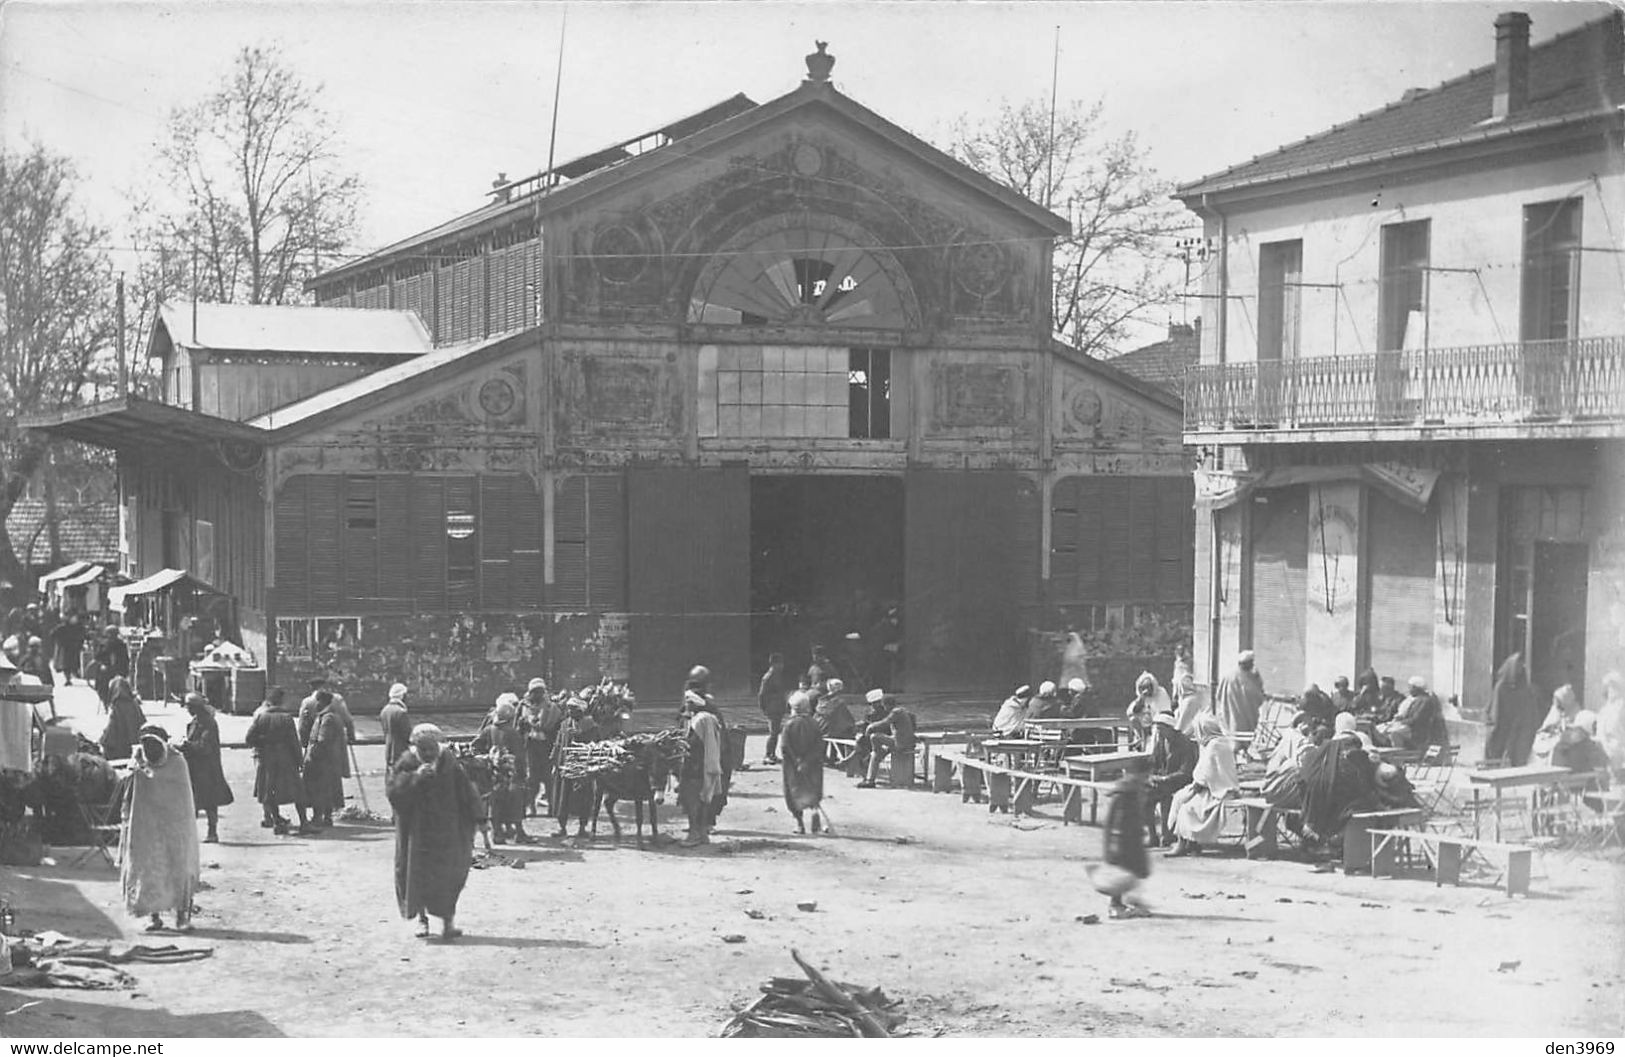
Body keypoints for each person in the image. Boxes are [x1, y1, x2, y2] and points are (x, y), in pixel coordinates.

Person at [387, 724, 485, 942]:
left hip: (446, 830)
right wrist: (414, 778)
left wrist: (480, 817)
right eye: (424, 751)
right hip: (418, 833)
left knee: (449, 876)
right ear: (416, 748)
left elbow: (466, 790)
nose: (429, 755)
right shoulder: (406, 762)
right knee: (418, 875)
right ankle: (423, 920)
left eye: (432, 749)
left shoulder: (449, 763)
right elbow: (393, 793)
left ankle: (448, 923)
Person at [122, 732, 201, 933]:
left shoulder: (177, 763)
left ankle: (182, 917)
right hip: (149, 826)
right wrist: (135, 771)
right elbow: (131, 791)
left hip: (177, 826)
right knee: (150, 869)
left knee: (180, 868)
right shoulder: (140, 762)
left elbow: (182, 796)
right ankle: (153, 916)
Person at [1299, 712, 1383, 850]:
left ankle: (1325, 841)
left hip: (1317, 799)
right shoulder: (1359, 743)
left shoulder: (1325, 747)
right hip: (1344, 800)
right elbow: (1366, 778)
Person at [1167, 714, 1239, 856]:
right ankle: (1189, 843)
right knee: (1180, 798)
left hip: (1218, 790)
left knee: (1186, 807)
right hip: (1215, 786)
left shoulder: (1215, 746)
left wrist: (1196, 786)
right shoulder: (1218, 743)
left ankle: (1183, 844)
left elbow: (1207, 773)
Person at [470, 694, 532, 845]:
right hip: (511, 774)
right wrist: (523, 773)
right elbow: (520, 756)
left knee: (495, 803)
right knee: (516, 802)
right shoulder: (512, 733)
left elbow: (474, 747)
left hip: (493, 774)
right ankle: (519, 832)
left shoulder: (488, 730)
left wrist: (487, 758)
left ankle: (497, 834)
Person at [244, 687, 306, 834]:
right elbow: (294, 742)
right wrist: (299, 761)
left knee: (269, 792)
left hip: (267, 759)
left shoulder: (261, 717)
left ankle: (277, 822)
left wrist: (263, 744)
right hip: (285, 759)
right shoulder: (286, 718)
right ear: (281, 701)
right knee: (297, 792)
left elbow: (249, 739)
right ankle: (304, 822)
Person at [1099, 756, 1153, 919]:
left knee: (1135, 870)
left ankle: (1131, 900)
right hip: (1121, 839)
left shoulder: (1135, 789)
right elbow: (1115, 821)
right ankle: (1115, 905)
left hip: (1132, 837)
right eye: (1144, 776)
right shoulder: (1124, 792)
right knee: (1121, 872)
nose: (1146, 779)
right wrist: (1113, 843)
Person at [679, 668, 725, 847]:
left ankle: (694, 835)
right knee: (705, 799)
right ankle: (703, 833)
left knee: (692, 802)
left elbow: (693, 744)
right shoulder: (710, 717)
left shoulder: (699, 721)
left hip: (695, 767)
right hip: (708, 765)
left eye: (688, 703)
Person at [179, 692, 233, 844]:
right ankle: (190, 834)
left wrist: (187, 745)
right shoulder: (196, 722)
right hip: (195, 768)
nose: (187, 710)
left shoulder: (208, 723)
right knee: (193, 802)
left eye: (189, 707)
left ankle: (212, 832)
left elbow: (205, 747)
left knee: (209, 803)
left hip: (206, 769)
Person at [1144, 711, 1197, 847]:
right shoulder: (1161, 742)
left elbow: (1186, 772)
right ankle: (1152, 835)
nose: (1159, 733)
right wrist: (1151, 777)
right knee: (1144, 796)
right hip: (1163, 782)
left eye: (1161, 729)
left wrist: (1165, 779)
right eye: (1157, 729)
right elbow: (1153, 763)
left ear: (1170, 728)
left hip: (1180, 783)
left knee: (1166, 796)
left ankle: (1167, 835)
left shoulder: (1185, 744)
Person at [780, 691, 828, 834]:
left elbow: (784, 747)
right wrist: (807, 761)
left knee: (793, 794)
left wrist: (797, 762)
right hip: (813, 765)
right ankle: (815, 819)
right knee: (813, 790)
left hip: (792, 767)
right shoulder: (814, 724)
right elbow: (819, 745)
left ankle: (799, 823)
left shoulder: (789, 725)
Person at [302, 690, 349, 829]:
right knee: (327, 789)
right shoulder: (329, 716)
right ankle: (326, 817)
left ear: (322, 702)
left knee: (319, 789)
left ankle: (319, 817)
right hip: (329, 760)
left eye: (317, 701)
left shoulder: (327, 718)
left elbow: (322, 740)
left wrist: (311, 757)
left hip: (322, 761)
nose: (315, 704)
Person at [1485, 653, 1539, 765]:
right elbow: (1496, 712)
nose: (1520, 669)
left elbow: (1528, 711)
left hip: (1518, 731)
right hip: (1501, 729)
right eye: (1517, 666)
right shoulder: (1501, 688)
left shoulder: (1524, 689)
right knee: (1496, 758)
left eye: (1521, 667)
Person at [858, 692, 916, 789]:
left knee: (874, 737)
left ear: (887, 704)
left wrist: (871, 726)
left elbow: (885, 722)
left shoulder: (896, 712)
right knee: (875, 756)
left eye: (884, 705)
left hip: (901, 743)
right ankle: (870, 780)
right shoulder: (902, 710)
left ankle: (877, 752)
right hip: (902, 741)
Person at [520, 678, 558, 815]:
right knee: (532, 778)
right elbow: (519, 726)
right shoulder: (524, 707)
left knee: (549, 777)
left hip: (546, 746)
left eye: (540, 692)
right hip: (531, 746)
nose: (537, 695)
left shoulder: (550, 707)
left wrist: (539, 726)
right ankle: (532, 807)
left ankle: (552, 807)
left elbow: (553, 726)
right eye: (534, 692)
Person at [1377, 676, 1445, 750]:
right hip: (1410, 727)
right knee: (1381, 729)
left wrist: (1402, 722)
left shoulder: (1425, 701)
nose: (1409, 690)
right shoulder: (1416, 700)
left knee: (1394, 733)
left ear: (1416, 688)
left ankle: (1398, 752)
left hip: (1416, 730)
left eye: (1411, 687)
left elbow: (1417, 719)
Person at [1213, 651, 1264, 734]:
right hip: (1246, 719)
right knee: (1244, 739)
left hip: (1229, 720)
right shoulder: (1250, 678)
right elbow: (1258, 697)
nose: (1252, 665)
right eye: (1251, 663)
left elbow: (1218, 697)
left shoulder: (1227, 675)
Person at [99, 675, 147, 763]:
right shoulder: (135, 704)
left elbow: (111, 730)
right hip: (135, 746)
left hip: (119, 750)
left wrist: (102, 740)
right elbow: (143, 723)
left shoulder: (117, 706)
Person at [299, 678, 356, 748]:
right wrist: (351, 737)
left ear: (311, 687)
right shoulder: (337, 699)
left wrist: (304, 742)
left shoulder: (307, 702)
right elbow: (348, 720)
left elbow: (303, 725)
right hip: (337, 742)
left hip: (316, 742)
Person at [1533, 684, 1583, 764]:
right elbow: (1545, 729)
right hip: (1551, 743)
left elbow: (1576, 734)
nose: (1557, 704)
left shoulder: (1577, 714)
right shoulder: (1555, 711)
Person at [1550, 711, 1610, 777]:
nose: (1596, 728)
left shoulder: (1560, 744)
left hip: (1563, 780)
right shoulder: (1588, 745)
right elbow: (1602, 765)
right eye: (1594, 725)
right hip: (1581, 780)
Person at [758, 652, 790, 765]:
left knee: (775, 732)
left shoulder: (777, 675)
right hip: (772, 708)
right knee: (773, 733)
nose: (782, 666)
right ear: (774, 664)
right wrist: (764, 708)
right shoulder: (768, 677)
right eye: (780, 663)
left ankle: (772, 754)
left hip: (778, 708)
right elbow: (762, 694)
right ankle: (767, 754)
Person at [1595, 671, 1625, 779]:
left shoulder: (1622, 706)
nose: (1611, 690)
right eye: (1609, 686)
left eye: (1614, 686)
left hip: (1619, 753)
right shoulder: (1604, 710)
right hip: (1604, 753)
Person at [380, 683, 413, 775]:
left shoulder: (385, 710)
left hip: (389, 749)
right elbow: (407, 734)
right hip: (400, 750)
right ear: (402, 696)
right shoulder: (401, 712)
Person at [93, 626, 129, 707]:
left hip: (111, 671)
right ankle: (109, 701)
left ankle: (106, 701)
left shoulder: (106, 644)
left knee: (101, 682)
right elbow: (126, 660)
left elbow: (97, 657)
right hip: (120, 671)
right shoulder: (121, 644)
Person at [49, 612, 85, 686]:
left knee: (73, 663)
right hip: (65, 648)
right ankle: (68, 678)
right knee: (66, 664)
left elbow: (83, 635)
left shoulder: (78, 627)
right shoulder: (62, 627)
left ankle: (73, 674)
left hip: (75, 647)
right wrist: (59, 641)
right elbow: (52, 634)